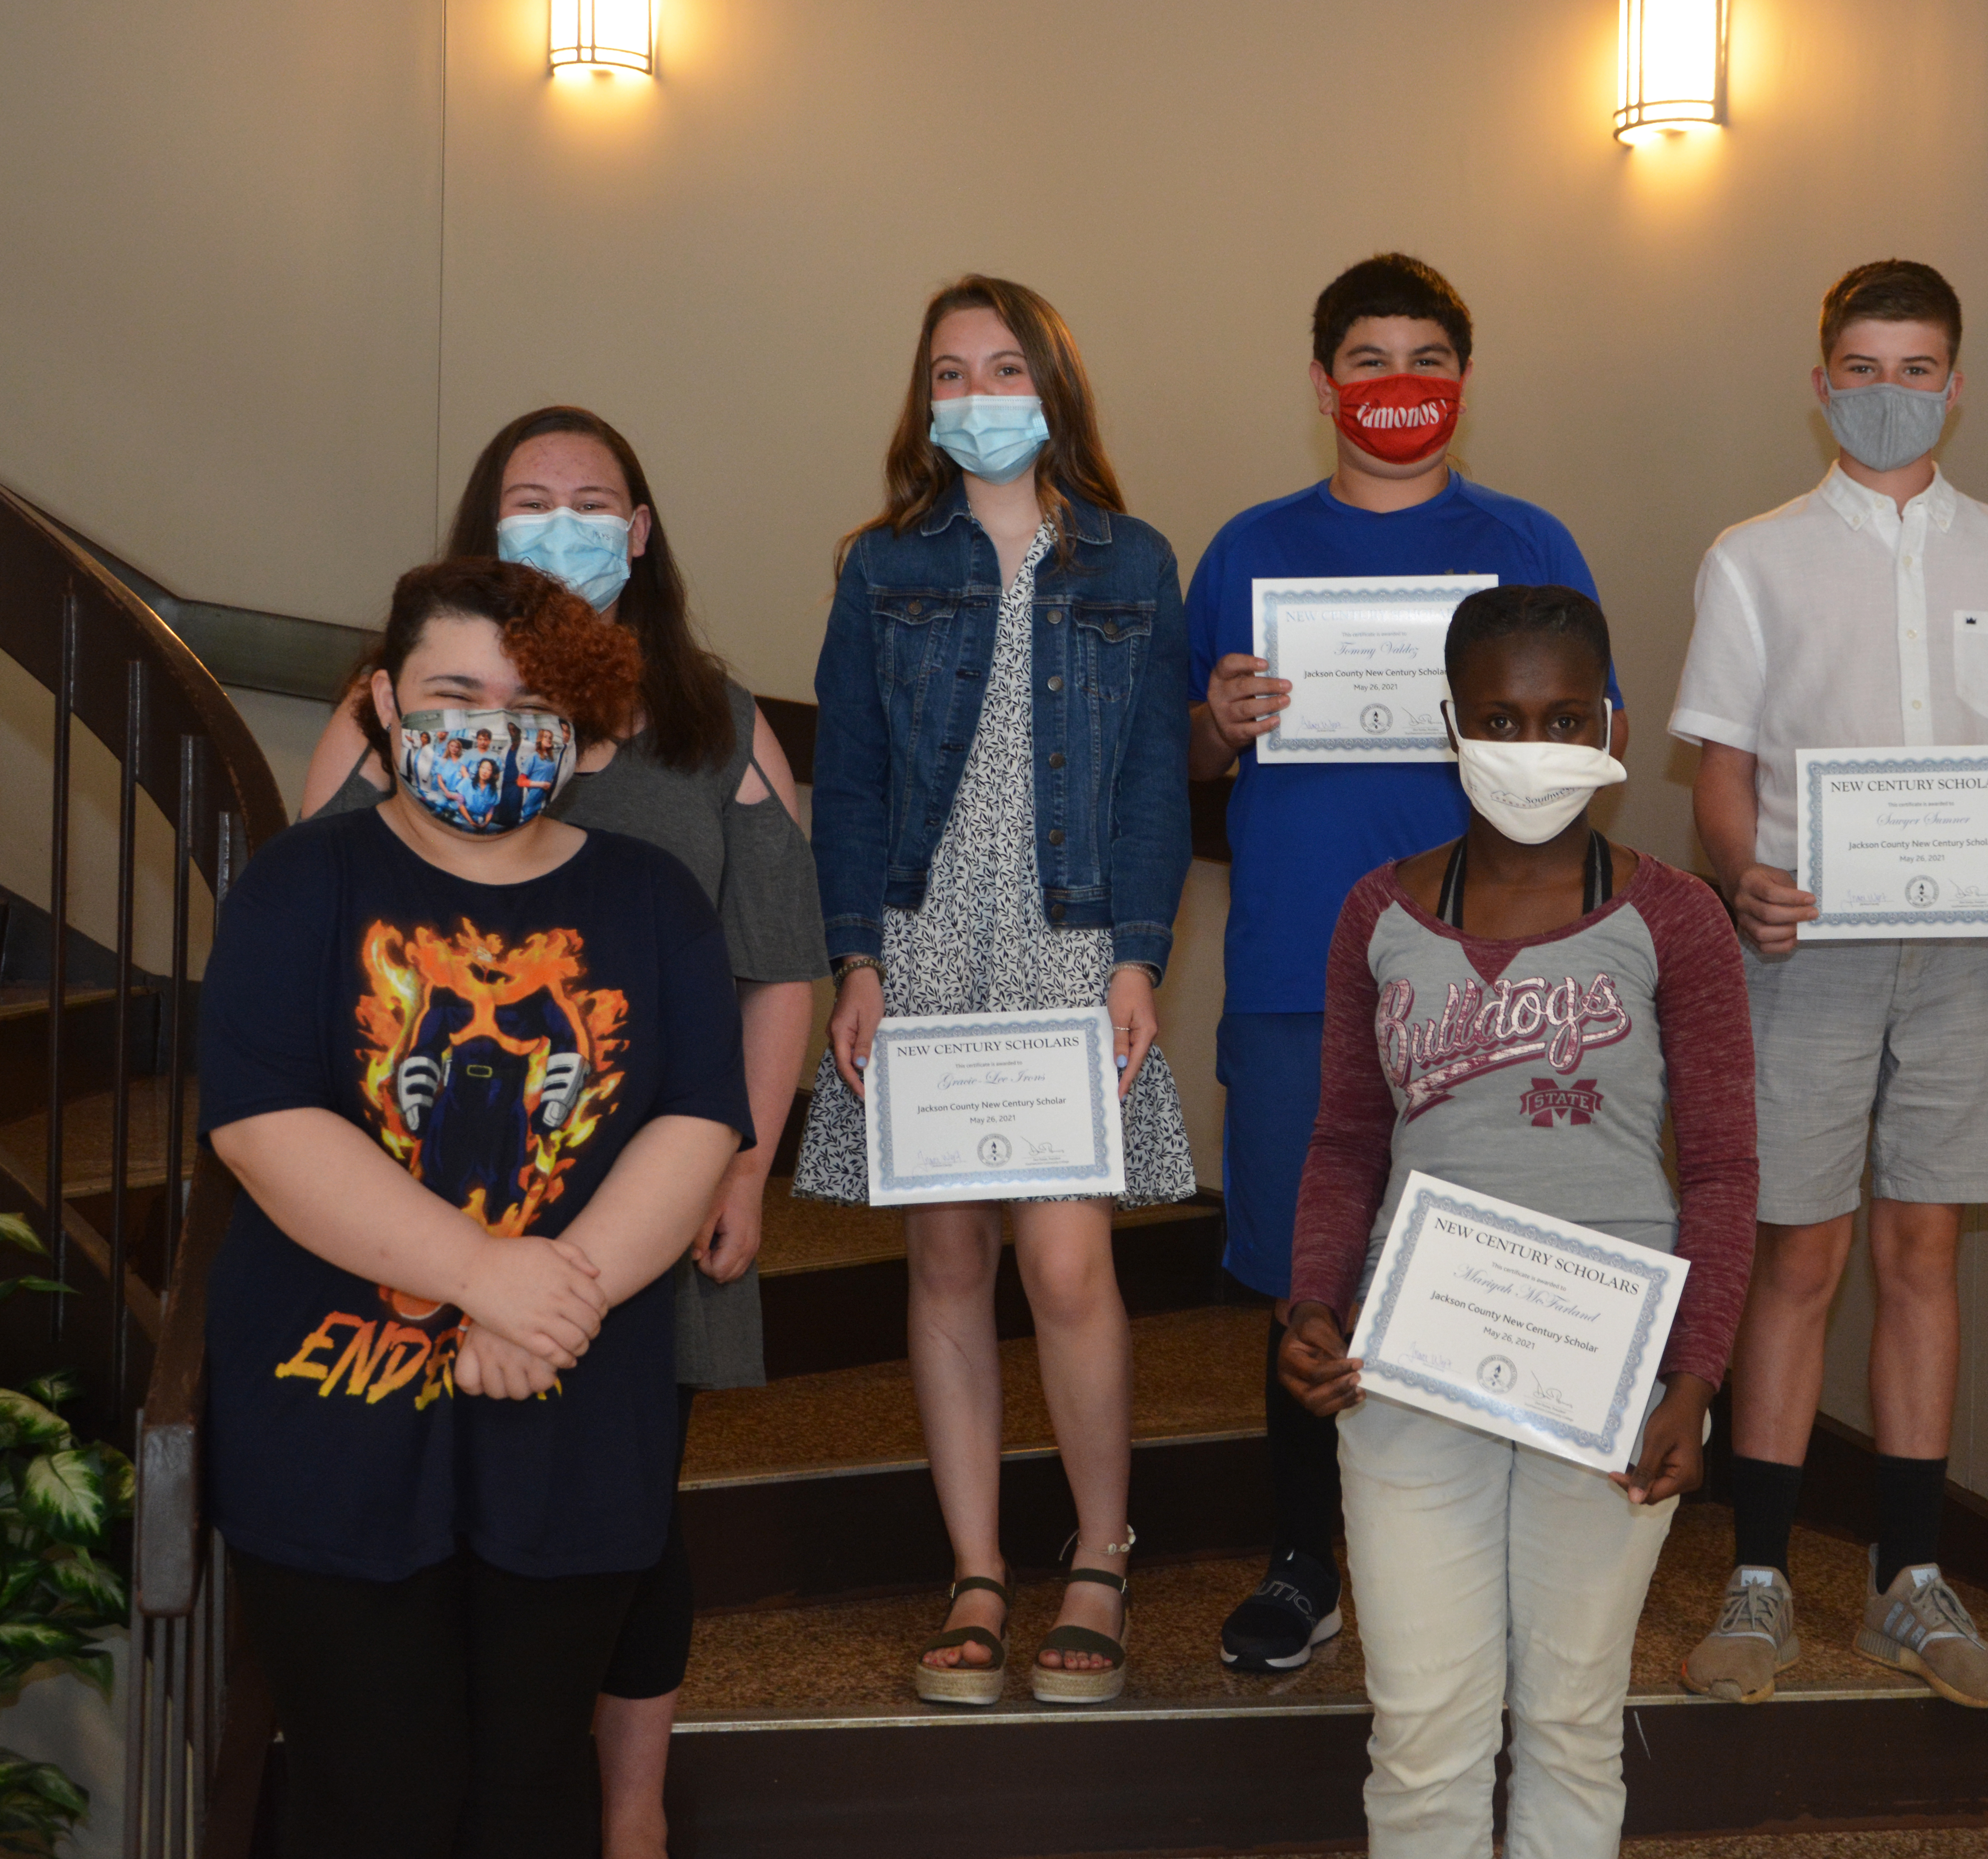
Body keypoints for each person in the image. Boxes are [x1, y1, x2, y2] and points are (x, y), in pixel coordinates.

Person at [301, 406, 825, 1856]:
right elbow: (321, 922)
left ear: (642, 531)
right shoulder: (388, 710)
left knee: (624, 1516)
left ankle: (632, 1811)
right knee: (435, 1517)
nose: (565, 522)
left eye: (596, 499)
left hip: (649, 1196)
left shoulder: (718, 722)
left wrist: (745, 1160)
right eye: (531, 499)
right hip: (431, 1203)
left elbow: (782, 959)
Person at [200, 557, 754, 1858]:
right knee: (373, 1800)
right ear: (386, 705)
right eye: (455, 694)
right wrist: (482, 1275)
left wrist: (549, 1299)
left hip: (574, 1429)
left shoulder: (651, 900)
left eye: (528, 702)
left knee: (532, 1802)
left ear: (583, 726)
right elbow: (264, 1126)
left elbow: (695, 1121)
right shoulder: (298, 887)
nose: (490, 730)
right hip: (331, 1432)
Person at [1670, 260, 1988, 1711]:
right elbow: (1721, 774)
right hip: (1804, 956)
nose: (1886, 394)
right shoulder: (1754, 556)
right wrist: (1744, 875)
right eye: (1861, 366)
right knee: (1801, 1256)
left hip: (1973, 959)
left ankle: (1908, 1585)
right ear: (1820, 383)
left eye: (1916, 368)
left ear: (1955, 384)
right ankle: (1762, 1574)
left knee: (1926, 1249)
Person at [1186, 253, 1626, 1672]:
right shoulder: (1246, 548)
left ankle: (1481, 1570)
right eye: (1366, 358)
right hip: (1294, 972)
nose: (1396, 384)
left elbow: (1595, 747)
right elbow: (1185, 762)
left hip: (1496, 972)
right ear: (1323, 385)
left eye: (1424, 356)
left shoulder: (1531, 541)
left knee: (1491, 1258)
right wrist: (1222, 718)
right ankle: (1305, 1562)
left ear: (1463, 381)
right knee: (1306, 1273)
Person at [1280, 584, 1755, 1859]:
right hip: (1408, 1367)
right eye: (1501, 715)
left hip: (1608, 1375)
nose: (1532, 745)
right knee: (1424, 1730)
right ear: (1452, 724)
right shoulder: (1376, 915)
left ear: (1610, 721)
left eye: (1561, 718)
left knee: (1570, 1721)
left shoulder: (1675, 919)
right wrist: (1314, 1304)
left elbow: (1720, 1172)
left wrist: (1695, 1376)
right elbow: (1342, 1143)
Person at [795, 274, 1194, 1706]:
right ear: (926, 404)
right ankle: (976, 1569)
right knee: (948, 1259)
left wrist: (1138, 953)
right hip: (920, 944)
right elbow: (843, 780)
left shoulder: (1135, 563)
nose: (977, 395)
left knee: (1070, 1264)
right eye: (949, 372)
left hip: (1068, 941)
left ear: (1056, 389)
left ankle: (1099, 1553)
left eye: (1004, 365)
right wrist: (856, 956)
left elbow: (1154, 775)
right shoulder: (881, 565)